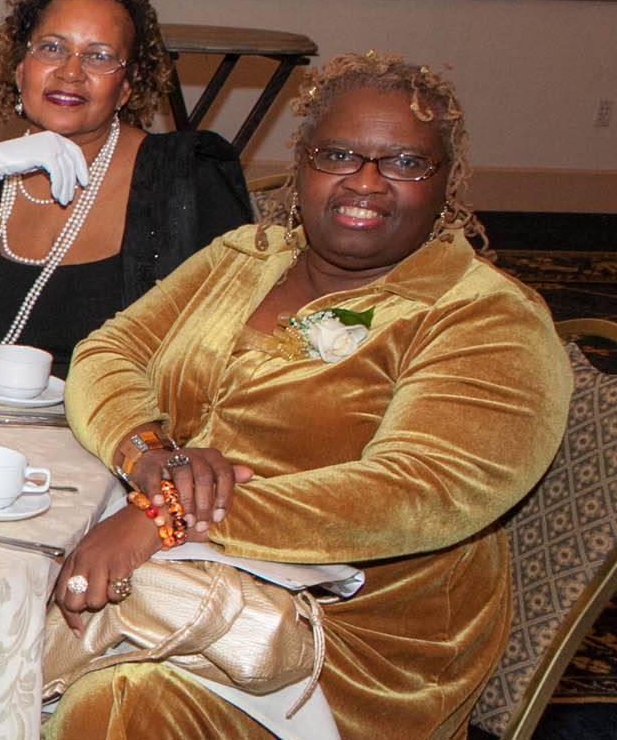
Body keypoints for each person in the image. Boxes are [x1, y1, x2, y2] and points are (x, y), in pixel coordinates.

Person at [49, 53, 570, 740]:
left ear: (448, 182)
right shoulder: (245, 255)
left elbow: (417, 490)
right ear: (301, 163)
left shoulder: (483, 316)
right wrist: (146, 453)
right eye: (339, 154)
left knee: (118, 707)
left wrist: (168, 516)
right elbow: (107, 353)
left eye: (405, 163)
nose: (366, 182)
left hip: (347, 650)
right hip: (175, 584)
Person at [0, 0, 251, 371]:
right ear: (20, 68)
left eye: (99, 57)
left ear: (127, 86)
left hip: (117, 427)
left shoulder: (185, 180)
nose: (70, 72)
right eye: (51, 48)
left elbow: (232, 354)